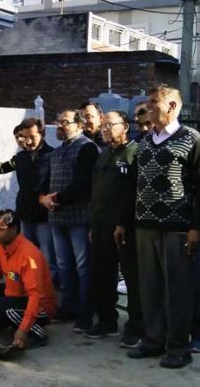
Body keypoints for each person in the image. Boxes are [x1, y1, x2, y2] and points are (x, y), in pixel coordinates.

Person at [128, 84, 200, 369]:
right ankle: (153, 340)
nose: (148, 107)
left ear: (172, 107)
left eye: (154, 102)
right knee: (148, 287)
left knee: (177, 291)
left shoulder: (191, 138)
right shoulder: (144, 142)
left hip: (178, 228)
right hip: (145, 227)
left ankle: (179, 347)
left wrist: (196, 227)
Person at [39, 110, 99, 332]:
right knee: (64, 266)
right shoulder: (56, 152)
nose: (60, 126)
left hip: (79, 218)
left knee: (83, 267)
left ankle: (85, 313)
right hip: (57, 218)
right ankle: (69, 307)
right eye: (59, 121)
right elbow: (45, 181)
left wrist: (56, 198)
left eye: (65, 122)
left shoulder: (87, 148)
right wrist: (43, 197)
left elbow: (84, 184)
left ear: (80, 125)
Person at [87, 110, 143, 348]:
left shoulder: (135, 153)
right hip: (100, 225)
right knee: (102, 275)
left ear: (126, 127)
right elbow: (95, 192)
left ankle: (136, 327)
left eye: (110, 124)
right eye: (103, 125)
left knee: (132, 278)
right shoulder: (103, 155)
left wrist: (123, 222)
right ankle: (107, 320)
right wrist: (93, 223)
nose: (105, 129)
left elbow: (136, 193)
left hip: (124, 227)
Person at [0, 118, 57, 283]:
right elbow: (1, 168)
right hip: (25, 215)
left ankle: (46, 296)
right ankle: (29, 291)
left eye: (32, 137)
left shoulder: (53, 155)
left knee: (47, 258)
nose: (28, 141)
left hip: (45, 216)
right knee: (28, 257)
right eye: (24, 137)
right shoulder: (20, 157)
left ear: (42, 134)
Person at [0, 209, 58, 348]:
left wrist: (23, 329)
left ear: (14, 229)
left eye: (0, 229)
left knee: (2, 307)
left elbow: (36, 295)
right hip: (18, 297)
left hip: (41, 307)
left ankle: (37, 333)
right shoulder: (1, 249)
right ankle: (5, 323)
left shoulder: (29, 255)